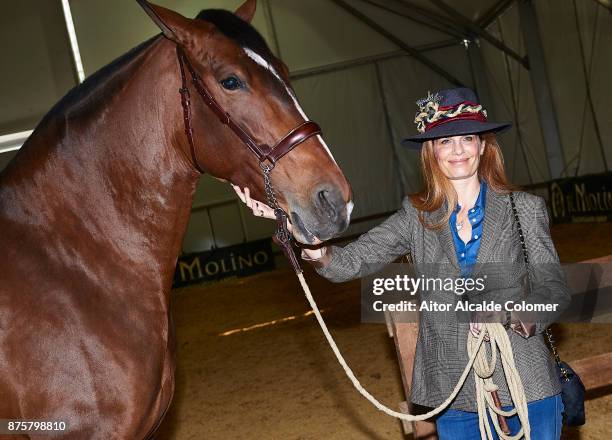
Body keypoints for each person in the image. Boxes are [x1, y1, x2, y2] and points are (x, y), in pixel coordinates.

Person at [233, 87, 571, 439]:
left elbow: (555, 290)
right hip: (454, 390)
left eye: (467, 138)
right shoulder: (416, 216)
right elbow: (351, 262)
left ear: (483, 145)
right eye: (444, 141)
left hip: (527, 380)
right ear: (431, 151)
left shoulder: (525, 209)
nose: (457, 150)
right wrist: (313, 244)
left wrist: (510, 315)